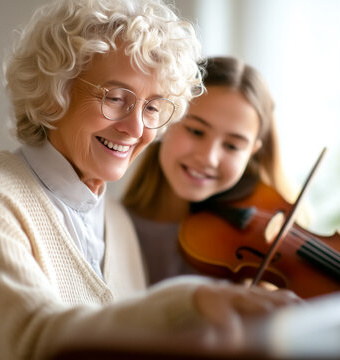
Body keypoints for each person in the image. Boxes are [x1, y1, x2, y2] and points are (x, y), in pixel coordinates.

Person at [0, 2, 301, 359]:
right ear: (54, 93)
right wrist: (191, 302)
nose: (135, 128)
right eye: (116, 98)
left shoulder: (117, 221)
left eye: (152, 107)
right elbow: (33, 339)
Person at [123, 56, 295, 286]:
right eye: (196, 131)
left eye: (232, 146)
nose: (209, 158)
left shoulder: (253, 249)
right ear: (166, 119)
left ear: (252, 152)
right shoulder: (112, 224)